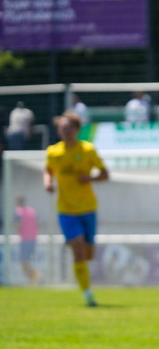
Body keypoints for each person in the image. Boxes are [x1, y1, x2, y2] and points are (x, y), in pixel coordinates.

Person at [43, 111, 109, 306]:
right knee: (78, 250)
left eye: (69, 128)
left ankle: (84, 282)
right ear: (58, 131)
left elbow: (105, 174)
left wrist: (90, 178)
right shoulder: (53, 152)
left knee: (88, 254)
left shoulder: (88, 150)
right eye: (62, 128)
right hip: (66, 210)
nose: (66, 132)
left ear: (77, 130)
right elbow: (48, 169)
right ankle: (88, 294)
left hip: (88, 208)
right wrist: (48, 182)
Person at [14, 196, 41, 285]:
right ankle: (32, 279)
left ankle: (35, 274)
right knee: (26, 261)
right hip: (33, 239)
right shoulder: (31, 210)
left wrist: (18, 233)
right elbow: (38, 224)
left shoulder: (18, 212)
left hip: (25, 239)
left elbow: (18, 225)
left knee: (23, 261)